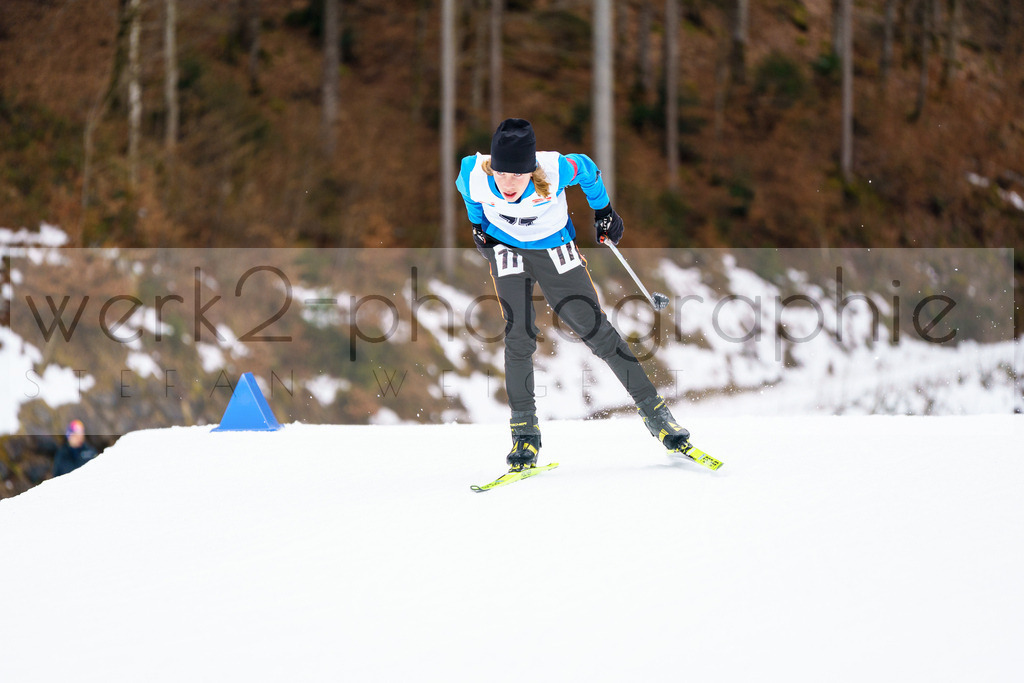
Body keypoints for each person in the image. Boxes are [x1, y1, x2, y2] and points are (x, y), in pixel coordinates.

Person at [456, 117, 690, 471]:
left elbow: (589, 170)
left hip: (554, 248)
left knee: (594, 329)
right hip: (506, 249)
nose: (507, 183)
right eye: (501, 174)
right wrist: (478, 227)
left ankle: (657, 416)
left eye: (517, 175)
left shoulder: (553, 171)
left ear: (530, 169)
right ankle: (524, 436)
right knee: (518, 335)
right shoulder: (475, 172)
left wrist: (604, 211)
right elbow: (470, 194)